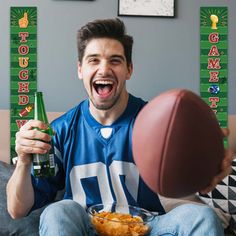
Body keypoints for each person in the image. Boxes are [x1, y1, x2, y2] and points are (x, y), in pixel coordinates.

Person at [7, 18, 233, 236]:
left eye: (115, 60)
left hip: (146, 226)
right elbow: (17, 210)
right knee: (57, 211)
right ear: (80, 69)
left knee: (203, 216)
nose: (104, 69)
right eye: (93, 60)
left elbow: (186, 171)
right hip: (87, 225)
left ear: (129, 69)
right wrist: (24, 160)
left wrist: (205, 167)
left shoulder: (158, 125)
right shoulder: (61, 129)